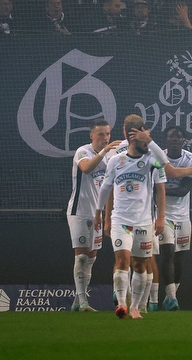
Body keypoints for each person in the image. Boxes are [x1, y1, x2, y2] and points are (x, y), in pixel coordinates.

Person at [96, 115, 166, 319]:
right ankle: (121, 304)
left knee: (140, 265)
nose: (147, 144)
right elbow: (105, 188)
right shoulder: (116, 160)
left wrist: (150, 141)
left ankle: (135, 306)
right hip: (120, 220)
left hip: (144, 221)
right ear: (134, 139)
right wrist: (100, 213)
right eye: (144, 140)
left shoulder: (150, 159)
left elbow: (164, 162)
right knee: (122, 259)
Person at [67, 118, 123, 311]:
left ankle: (77, 301)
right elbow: (87, 168)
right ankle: (83, 302)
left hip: (97, 213)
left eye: (107, 134)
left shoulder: (112, 157)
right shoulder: (83, 151)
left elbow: (110, 189)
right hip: (79, 211)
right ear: (92, 135)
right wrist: (105, 151)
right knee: (81, 257)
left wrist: (106, 215)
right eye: (101, 134)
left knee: (91, 258)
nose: (105, 138)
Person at [157, 126, 192, 312]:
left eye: (179, 137)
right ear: (166, 141)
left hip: (183, 216)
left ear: (184, 141)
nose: (175, 140)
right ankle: (172, 298)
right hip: (163, 215)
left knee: (179, 260)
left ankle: (170, 297)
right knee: (167, 254)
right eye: (171, 137)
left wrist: (159, 190)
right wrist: (158, 194)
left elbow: (183, 191)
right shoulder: (158, 158)